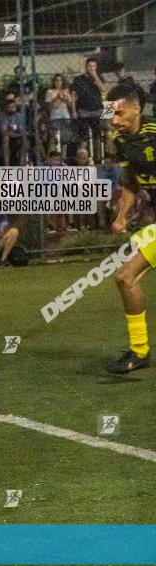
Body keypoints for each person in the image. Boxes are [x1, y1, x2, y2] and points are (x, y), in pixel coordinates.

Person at [103, 85, 156, 373]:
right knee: (125, 277)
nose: (114, 120)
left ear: (137, 108)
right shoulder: (121, 141)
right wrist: (122, 214)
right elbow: (131, 182)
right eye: (111, 113)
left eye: (119, 113)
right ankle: (139, 350)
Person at [71, 57, 109, 162]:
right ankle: (82, 159)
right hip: (83, 110)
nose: (91, 68)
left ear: (96, 67)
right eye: (89, 66)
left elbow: (104, 90)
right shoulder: (78, 79)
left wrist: (95, 76)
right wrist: (74, 111)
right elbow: (73, 95)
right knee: (84, 136)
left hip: (97, 109)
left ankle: (98, 158)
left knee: (97, 134)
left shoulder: (99, 77)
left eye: (93, 66)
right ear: (86, 67)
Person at [45, 74, 75, 159]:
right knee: (54, 138)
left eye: (60, 80)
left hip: (65, 116)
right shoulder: (50, 91)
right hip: (55, 117)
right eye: (56, 80)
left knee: (65, 138)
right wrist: (57, 98)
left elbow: (69, 104)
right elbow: (50, 106)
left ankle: (63, 158)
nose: (58, 82)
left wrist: (65, 99)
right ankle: (51, 158)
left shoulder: (66, 90)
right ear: (54, 82)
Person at [0, 94, 28, 166]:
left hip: (16, 137)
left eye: (13, 107)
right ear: (6, 108)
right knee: (6, 138)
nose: (11, 109)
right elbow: (4, 132)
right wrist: (16, 133)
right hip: (4, 138)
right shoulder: (2, 116)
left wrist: (15, 133)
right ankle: (7, 165)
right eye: (9, 107)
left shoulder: (19, 116)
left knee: (25, 139)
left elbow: (21, 130)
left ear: (16, 107)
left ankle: (21, 165)